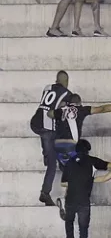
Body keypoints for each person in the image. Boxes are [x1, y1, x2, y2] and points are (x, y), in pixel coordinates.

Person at [52, 94, 111, 213]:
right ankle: (66, 200)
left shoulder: (60, 111)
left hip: (58, 146)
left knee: (69, 172)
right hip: (71, 145)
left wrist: (61, 107)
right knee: (79, 171)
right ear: (79, 103)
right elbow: (102, 108)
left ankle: (67, 199)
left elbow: (49, 114)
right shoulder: (81, 109)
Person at [31, 70, 71, 206]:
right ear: (66, 82)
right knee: (53, 165)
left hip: (36, 123)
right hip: (49, 128)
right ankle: (45, 193)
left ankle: (47, 154)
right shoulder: (67, 93)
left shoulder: (47, 88)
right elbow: (61, 113)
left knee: (49, 146)